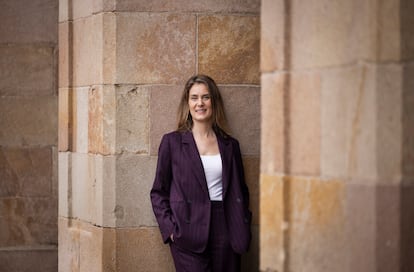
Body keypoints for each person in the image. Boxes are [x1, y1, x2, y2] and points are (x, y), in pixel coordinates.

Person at [150, 74, 252, 271]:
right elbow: (158, 192)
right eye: (194, 97)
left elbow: (242, 191)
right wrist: (171, 230)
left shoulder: (230, 145)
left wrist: (243, 223)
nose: (200, 103)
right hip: (187, 230)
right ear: (187, 103)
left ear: (214, 101)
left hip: (227, 228)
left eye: (206, 97)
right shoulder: (172, 142)